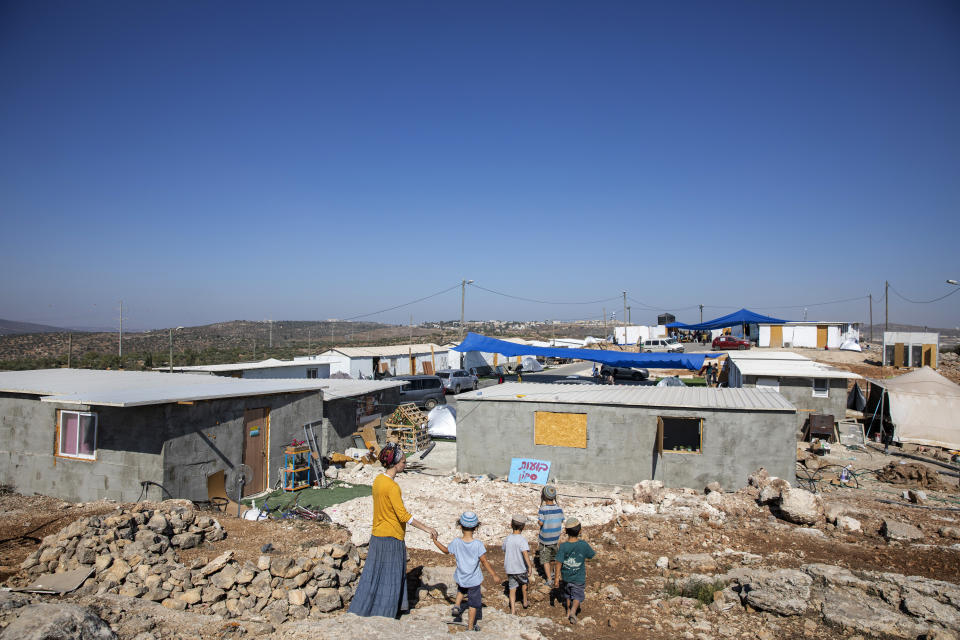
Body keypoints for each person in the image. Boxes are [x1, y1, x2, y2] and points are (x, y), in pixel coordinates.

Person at [348, 443, 438, 618]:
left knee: (373, 575)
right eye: (403, 461)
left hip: (377, 535)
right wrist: (427, 528)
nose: (405, 464)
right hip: (392, 536)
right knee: (391, 578)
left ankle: (364, 609)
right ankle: (386, 613)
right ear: (396, 463)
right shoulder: (393, 487)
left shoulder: (378, 481)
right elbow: (403, 515)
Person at [431, 511, 501, 631]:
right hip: (473, 580)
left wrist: (435, 541)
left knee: (461, 589)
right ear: (476, 527)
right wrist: (494, 574)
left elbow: (446, 551)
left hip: (461, 576)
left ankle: (457, 606)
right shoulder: (478, 544)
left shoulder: (457, 542)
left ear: (460, 526)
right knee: (473, 604)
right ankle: (470, 627)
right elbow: (484, 561)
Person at [553, 517, 596, 625]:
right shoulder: (583, 545)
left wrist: (556, 579)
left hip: (566, 577)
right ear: (580, 531)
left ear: (566, 531)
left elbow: (558, 563)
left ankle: (567, 612)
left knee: (568, 594)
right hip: (579, 577)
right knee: (577, 596)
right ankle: (573, 611)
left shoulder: (563, 546)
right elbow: (592, 556)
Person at [503, 514, 533, 615]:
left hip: (510, 568)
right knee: (524, 584)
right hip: (520, 568)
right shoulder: (522, 540)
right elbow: (525, 554)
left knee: (512, 588)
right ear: (523, 527)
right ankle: (525, 601)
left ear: (511, 525)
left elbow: (504, 549)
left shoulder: (507, 539)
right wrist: (529, 566)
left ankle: (513, 609)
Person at [537, 486, 564, 586]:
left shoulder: (543, 509)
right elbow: (561, 520)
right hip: (555, 539)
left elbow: (541, 523)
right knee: (553, 557)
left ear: (543, 497)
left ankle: (549, 579)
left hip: (545, 540)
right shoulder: (559, 509)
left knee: (545, 560)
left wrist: (539, 521)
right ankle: (553, 573)